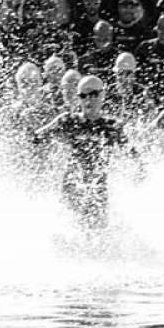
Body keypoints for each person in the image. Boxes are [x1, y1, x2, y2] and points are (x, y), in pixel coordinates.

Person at [31, 75, 133, 230]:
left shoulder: (111, 126)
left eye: (93, 94)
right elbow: (36, 138)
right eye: (83, 95)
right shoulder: (69, 120)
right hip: (73, 184)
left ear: (103, 95)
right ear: (78, 98)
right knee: (70, 228)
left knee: (99, 232)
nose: (88, 99)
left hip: (98, 187)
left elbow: (132, 155)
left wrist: (137, 175)